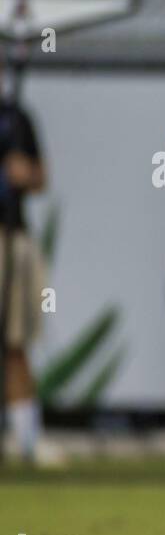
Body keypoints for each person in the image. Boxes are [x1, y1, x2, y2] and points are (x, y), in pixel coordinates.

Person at [0, 76, 58, 466]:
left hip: (11, 239)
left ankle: (25, 439)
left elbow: (40, 179)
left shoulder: (16, 118)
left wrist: (24, 173)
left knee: (14, 341)